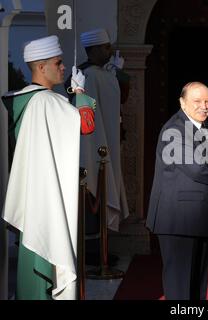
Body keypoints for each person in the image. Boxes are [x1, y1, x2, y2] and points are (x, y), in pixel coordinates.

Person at [1, 35, 96, 300]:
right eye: (59, 62)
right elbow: (86, 124)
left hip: (34, 195)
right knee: (48, 253)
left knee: (33, 257)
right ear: (41, 67)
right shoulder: (45, 102)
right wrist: (79, 93)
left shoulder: (25, 100)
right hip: (47, 199)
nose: (64, 68)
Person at [146, 82, 208, 300]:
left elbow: (207, 166)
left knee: (197, 286)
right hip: (178, 220)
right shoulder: (175, 129)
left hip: (197, 218)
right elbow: (197, 168)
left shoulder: (202, 126)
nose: (204, 106)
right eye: (197, 101)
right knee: (180, 288)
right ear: (182, 102)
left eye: (207, 101)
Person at [66, 28, 129, 232]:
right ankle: (92, 253)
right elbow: (87, 112)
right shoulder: (87, 75)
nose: (110, 51)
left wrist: (118, 74)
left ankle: (101, 249)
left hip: (108, 140)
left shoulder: (104, 73)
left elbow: (118, 100)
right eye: (105, 47)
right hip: (95, 143)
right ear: (93, 50)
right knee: (94, 191)